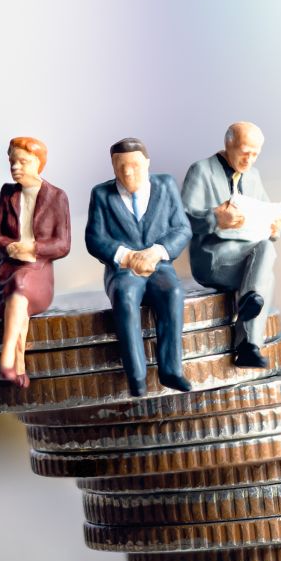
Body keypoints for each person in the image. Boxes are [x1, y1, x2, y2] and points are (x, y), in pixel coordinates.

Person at [83, 137, 193, 394]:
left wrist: (157, 251)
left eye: (134, 164)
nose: (127, 171)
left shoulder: (165, 186)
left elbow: (182, 228)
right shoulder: (101, 194)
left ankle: (171, 369)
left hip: (159, 266)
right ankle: (137, 376)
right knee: (125, 296)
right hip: (123, 270)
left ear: (147, 163)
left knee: (173, 293)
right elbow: (94, 239)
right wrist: (126, 256)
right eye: (120, 166)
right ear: (112, 166)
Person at [180, 121, 281, 367]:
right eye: (245, 152)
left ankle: (248, 348)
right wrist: (215, 218)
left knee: (266, 256)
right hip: (212, 257)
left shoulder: (254, 176)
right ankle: (249, 330)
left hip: (246, 253)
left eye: (255, 154)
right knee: (265, 271)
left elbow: (265, 211)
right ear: (228, 145)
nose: (250, 160)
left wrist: (273, 227)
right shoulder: (201, 171)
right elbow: (182, 220)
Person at [0, 136, 71, 387]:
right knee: (17, 300)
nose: (15, 167)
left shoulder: (57, 197)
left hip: (38, 269)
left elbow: (63, 245)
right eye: (12, 162)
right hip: (8, 270)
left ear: (38, 163)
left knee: (20, 284)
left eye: (22, 161)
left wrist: (33, 248)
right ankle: (17, 365)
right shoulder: (7, 193)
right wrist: (10, 246)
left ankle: (8, 355)